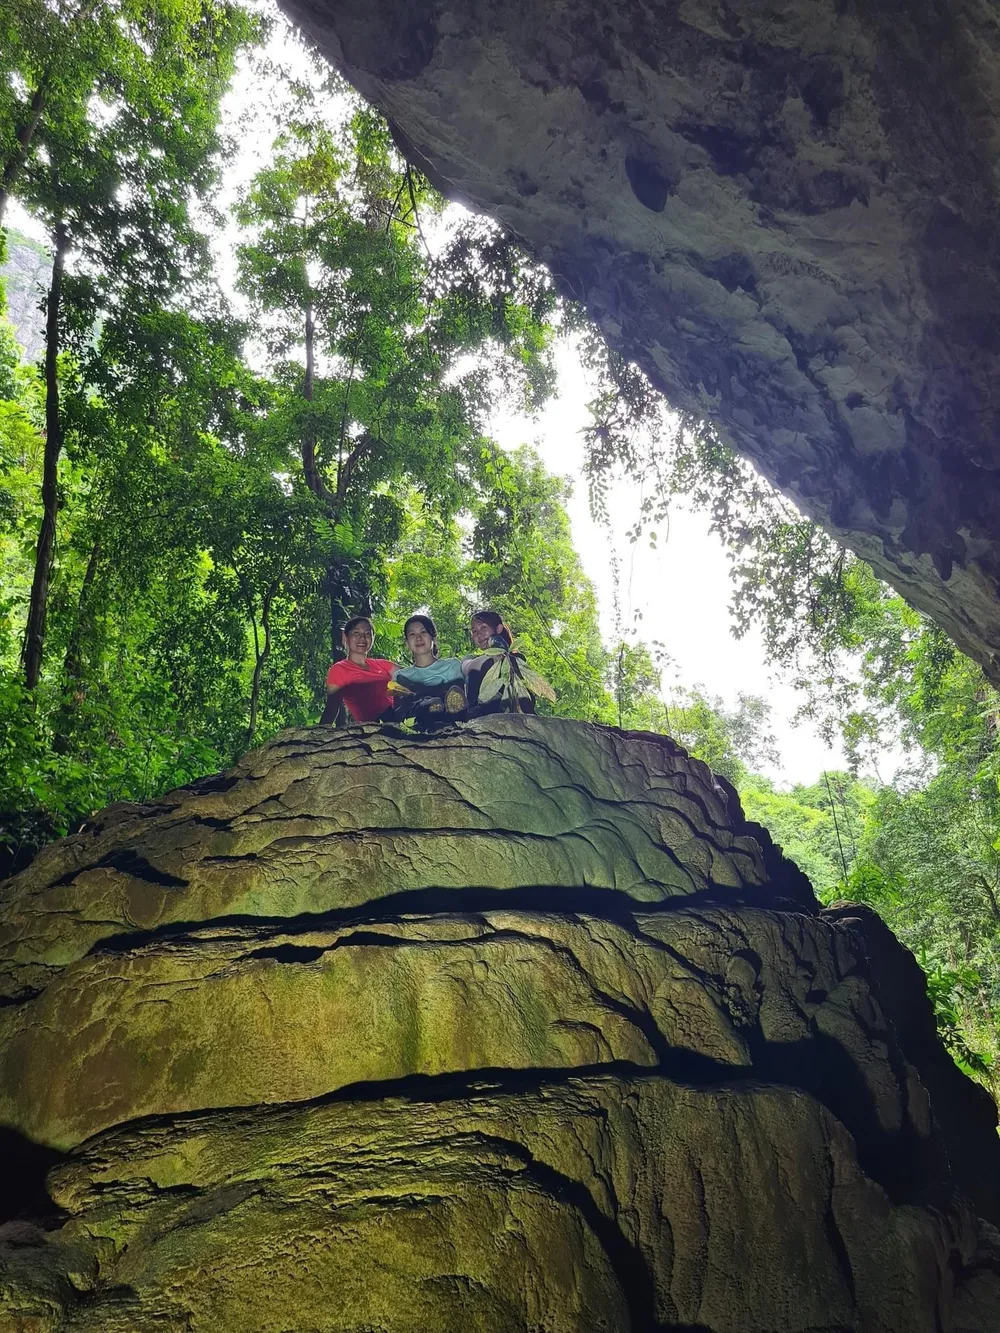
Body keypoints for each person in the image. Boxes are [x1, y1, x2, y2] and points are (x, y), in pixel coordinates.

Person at [462, 609, 555, 715]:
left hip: (507, 710)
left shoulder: (515, 658)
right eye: (474, 631)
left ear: (498, 629)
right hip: (477, 710)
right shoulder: (473, 660)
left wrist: (498, 646)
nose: (479, 634)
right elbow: (467, 666)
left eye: (484, 627)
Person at [392, 613, 467, 727]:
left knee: (451, 694)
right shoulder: (401, 676)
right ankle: (429, 706)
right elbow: (400, 711)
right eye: (412, 634)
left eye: (423, 632)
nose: (418, 638)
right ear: (407, 643)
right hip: (417, 719)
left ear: (433, 637)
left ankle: (438, 708)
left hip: (449, 718)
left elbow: (458, 696)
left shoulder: (451, 665)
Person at [320, 616, 396, 725]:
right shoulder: (339, 669)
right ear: (345, 637)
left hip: (401, 717)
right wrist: (319, 735)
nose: (362, 638)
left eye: (368, 634)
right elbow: (332, 708)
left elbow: (413, 677)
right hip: (372, 725)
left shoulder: (382, 664)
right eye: (356, 633)